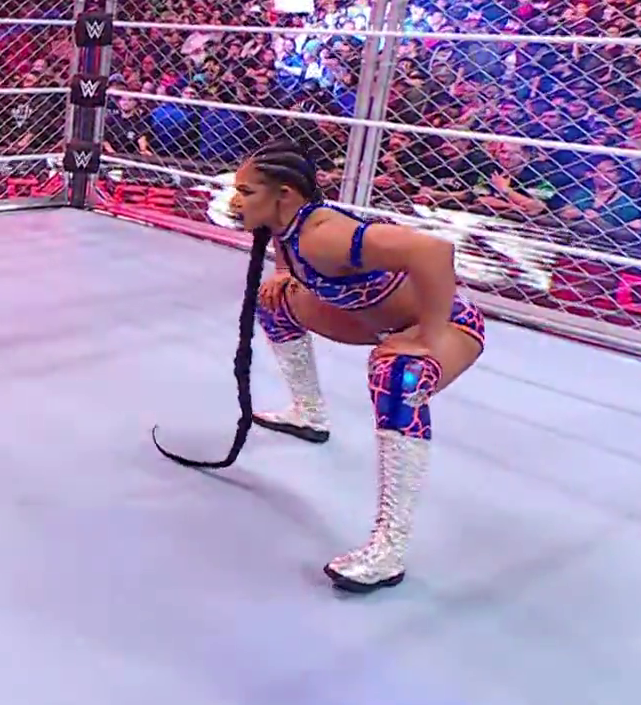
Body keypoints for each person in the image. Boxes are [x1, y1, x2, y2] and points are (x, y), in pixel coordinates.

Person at [158, 141, 484, 593]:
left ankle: (389, 550)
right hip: (370, 317)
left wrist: (427, 336)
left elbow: (434, 251)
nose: (235, 201)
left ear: (285, 195)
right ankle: (309, 412)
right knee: (275, 302)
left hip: (449, 323)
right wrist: (285, 276)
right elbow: (294, 260)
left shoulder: (324, 236)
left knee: (397, 377)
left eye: (246, 192)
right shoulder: (286, 225)